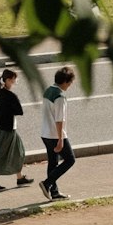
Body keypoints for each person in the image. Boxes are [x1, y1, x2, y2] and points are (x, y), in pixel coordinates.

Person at [0, 68, 32, 192]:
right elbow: (19, 111)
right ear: (8, 80)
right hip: (8, 129)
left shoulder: (0, 92)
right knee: (1, 154)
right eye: (14, 80)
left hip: (5, 127)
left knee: (18, 152)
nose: (15, 82)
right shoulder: (10, 95)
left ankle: (20, 177)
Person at [39, 65, 77, 201]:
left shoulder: (48, 91)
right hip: (55, 135)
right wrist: (61, 139)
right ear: (66, 82)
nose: (70, 85)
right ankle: (47, 183)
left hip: (45, 133)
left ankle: (54, 192)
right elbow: (59, 120)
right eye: (70, 82)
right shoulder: (60, 97)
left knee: (53, 162)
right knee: (70, 159)